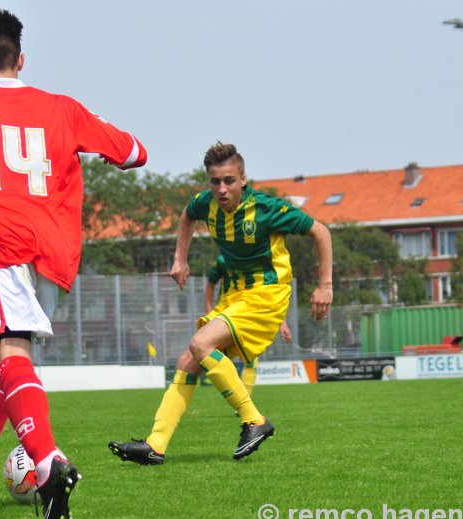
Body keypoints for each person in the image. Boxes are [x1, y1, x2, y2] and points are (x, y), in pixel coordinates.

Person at [0, 9, 147, 519]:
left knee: (9, 348)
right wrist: (110, 151)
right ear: (21, 58)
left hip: (3, 244)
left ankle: (49, 464)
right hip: (56, 251)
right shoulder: (62, 108)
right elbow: (134, 152)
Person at [108, 142, 332, 465]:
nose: (222, 188)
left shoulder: (267, 209)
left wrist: (325, 286)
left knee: (199, 343)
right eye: (215, 181)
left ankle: (253, 419)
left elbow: (321, 232)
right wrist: (179, 259)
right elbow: (186, 216)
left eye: (229, 180)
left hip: (265, 295)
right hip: (235, 296)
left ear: (243, 179)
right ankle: (156, 443)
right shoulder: (205, 204)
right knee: (188, 359)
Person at [204, 254, 292, 397]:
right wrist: (209, 313)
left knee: (251, 359)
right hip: (226, 312)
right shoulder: (222, 260)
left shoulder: (257, 257)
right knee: (206, 353)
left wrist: (283, 324)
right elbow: (210, 286)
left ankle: (243, 403)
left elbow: (271, 296)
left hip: (249, 312)